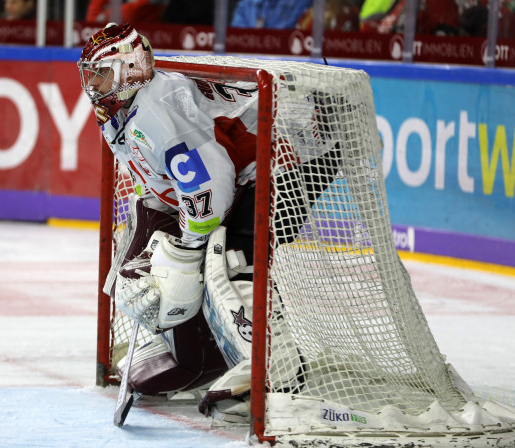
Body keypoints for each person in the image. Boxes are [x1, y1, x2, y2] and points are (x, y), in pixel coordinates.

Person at [78, 23, 337, 420]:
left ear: (131, 68)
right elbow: (165, 184)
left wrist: (187, 248)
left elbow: (212, 183)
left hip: (296, 145)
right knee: (186, 251)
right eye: (91, 74)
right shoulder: (123, 109)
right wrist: (146, 248)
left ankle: (277, 372)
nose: (94, 85)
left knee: (232, 255)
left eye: (103, 73)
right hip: (256, 157)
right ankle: (209, 353)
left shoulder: (155, 110)